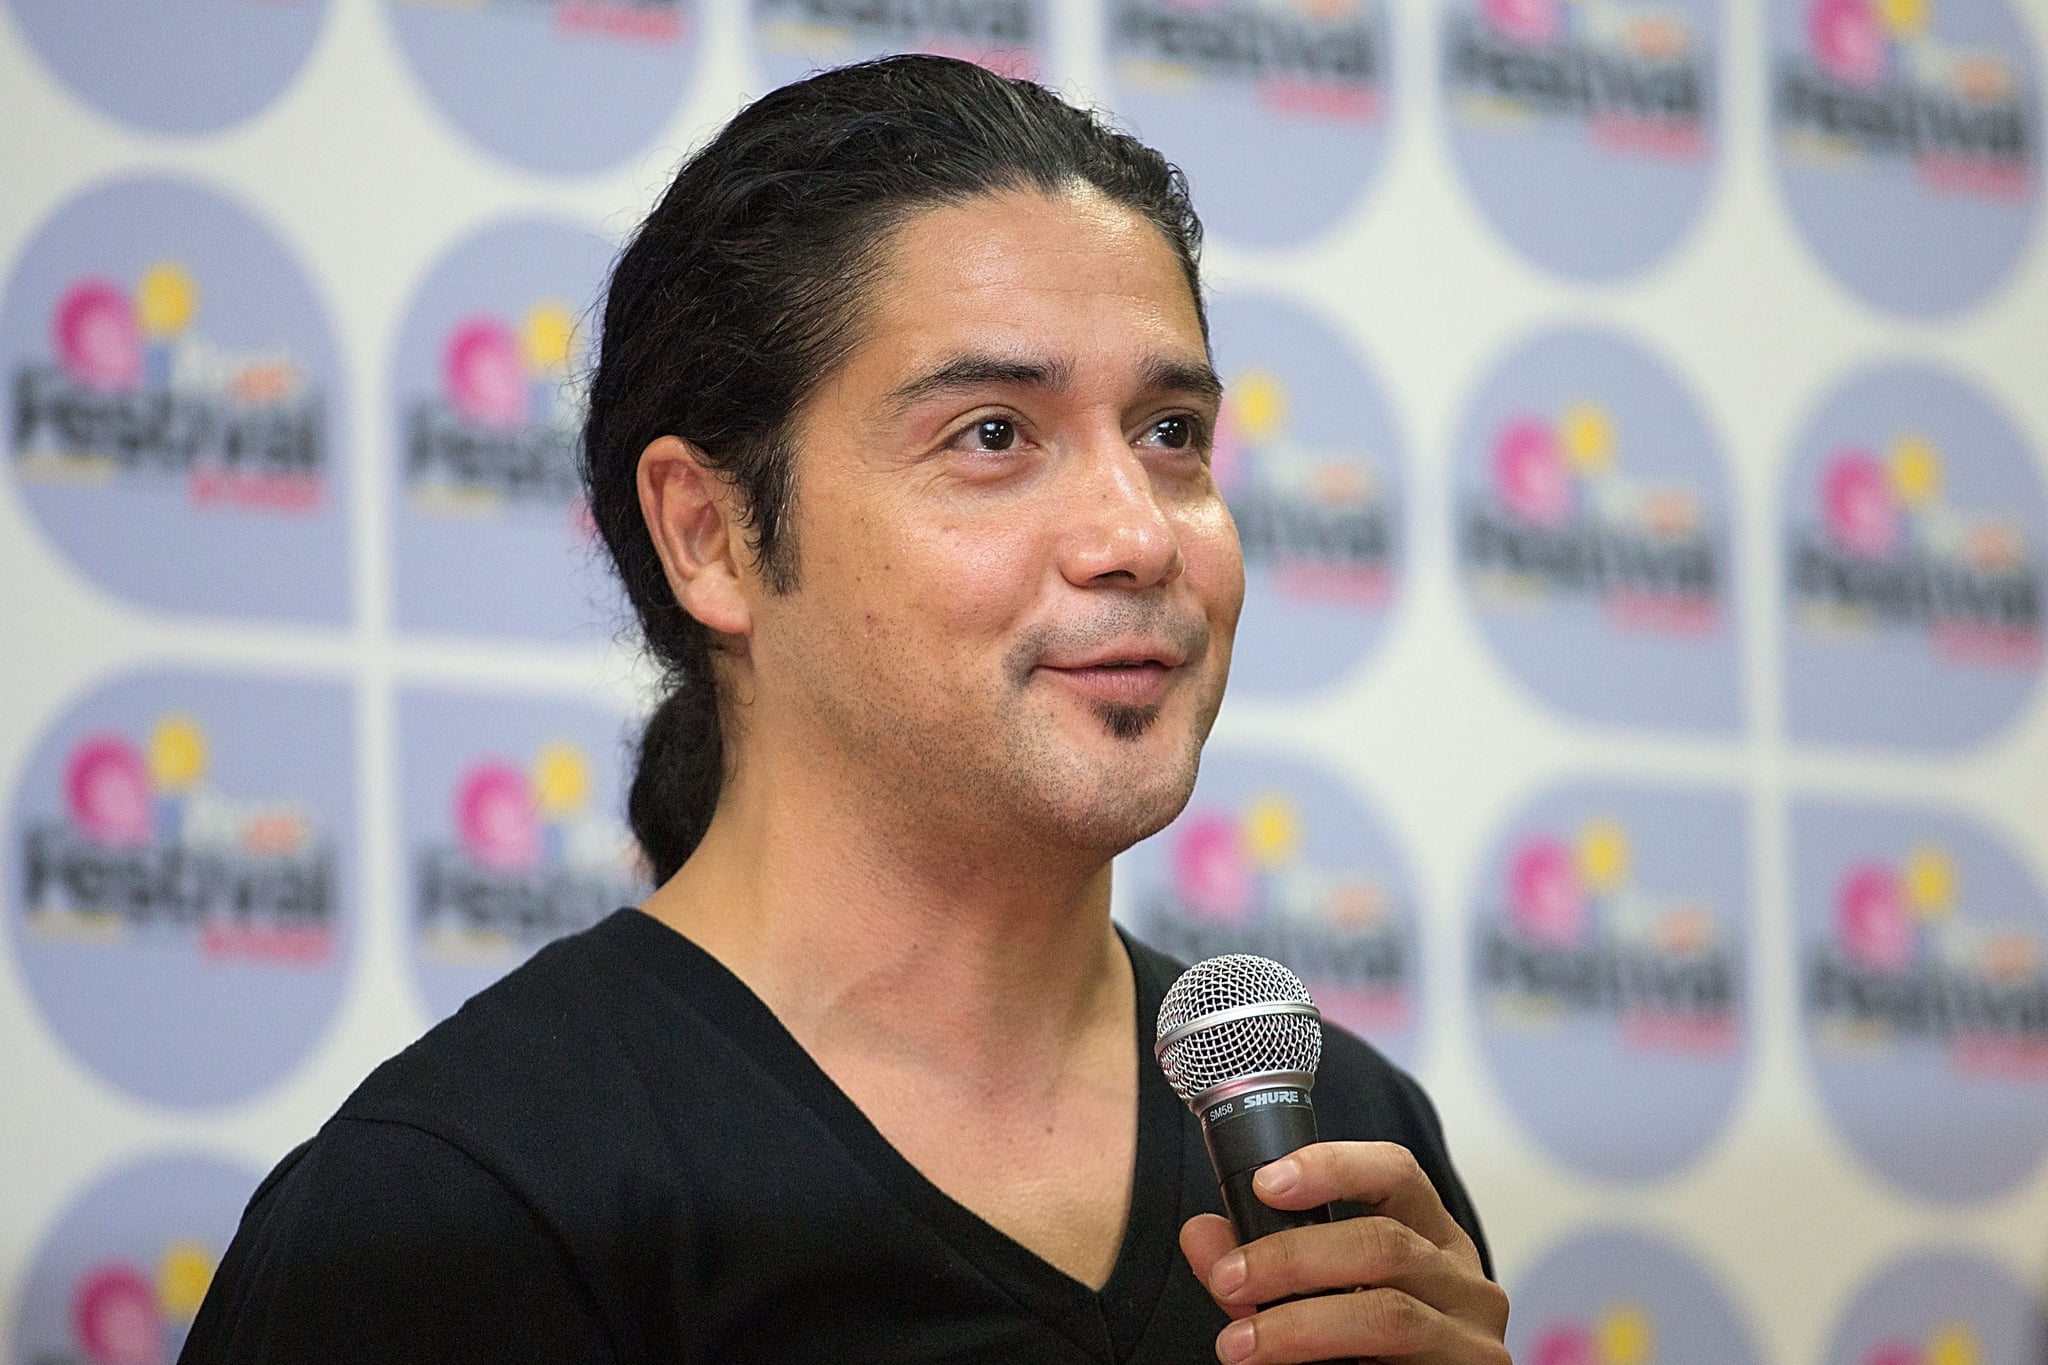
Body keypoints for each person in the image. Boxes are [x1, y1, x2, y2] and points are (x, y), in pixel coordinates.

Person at [181, 55, 1508, 1365]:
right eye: (993, 434)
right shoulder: (455, 1212)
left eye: (1170, 434)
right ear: (709, 535)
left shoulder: (1338, 1128)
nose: (1137, 535)